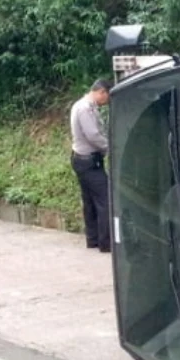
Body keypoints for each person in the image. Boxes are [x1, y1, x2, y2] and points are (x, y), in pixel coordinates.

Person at [70, 79, 112, 251]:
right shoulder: (85, 108)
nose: (107, 102)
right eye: (107, 97)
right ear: (101, 92)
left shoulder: (83, 105)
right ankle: (106, 243)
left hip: (82, 159)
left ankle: (93, 239)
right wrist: (110, 147)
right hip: (88, 161)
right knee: (104, 199)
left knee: (90, 201)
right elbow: (93, 135)